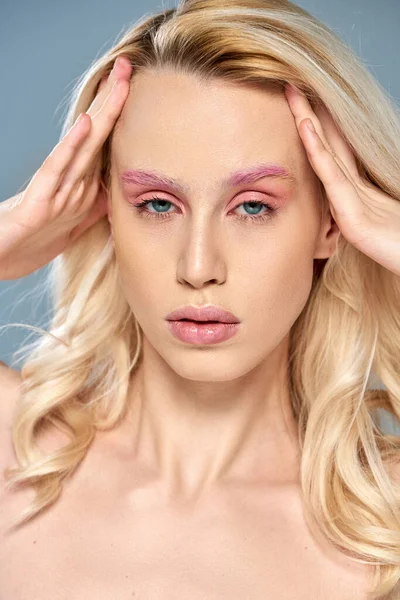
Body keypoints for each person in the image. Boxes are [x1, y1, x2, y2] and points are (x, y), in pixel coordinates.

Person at [0, 0, 399, 598]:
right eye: (158, 204)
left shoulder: (384, 520)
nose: (198, 268)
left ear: (333, 221)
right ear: (105, 209)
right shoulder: (11, 448)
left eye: (254, 206)